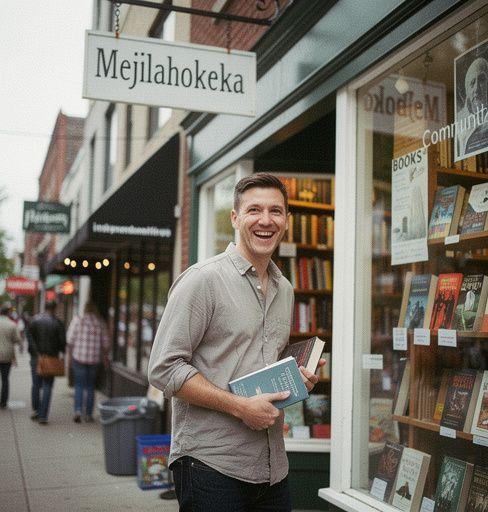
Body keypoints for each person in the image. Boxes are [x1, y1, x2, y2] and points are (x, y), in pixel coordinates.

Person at [149, 173, 324, 512]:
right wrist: (239, 406)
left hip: (272, 469)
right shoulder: (203, 280)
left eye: (275, 211)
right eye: (254, 210)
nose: (265, 220)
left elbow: (262, 366)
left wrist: (295, 380)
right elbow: (163, 368)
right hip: (210, 466)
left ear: (287, 220)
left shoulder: (284, 289)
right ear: (235, 218)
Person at [67, 301, 110, 423]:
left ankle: (78, 411)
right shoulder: (100, 323)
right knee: (91, 387)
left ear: (85, 309)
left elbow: (70, 340)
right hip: (94, 360)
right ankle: (89, 414)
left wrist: (70, 357)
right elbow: (106, 344)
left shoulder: (78, 320)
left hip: (78, 358)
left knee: (79, 385)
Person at [29, 301, 66, 424]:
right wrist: (62, 352)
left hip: (36, 357)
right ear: (54, 309)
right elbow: (62, 343)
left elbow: (30, 339)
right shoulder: (58, 323)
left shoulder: (35, 320)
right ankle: (43, 415)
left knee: (36, 384)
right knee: (47, 385)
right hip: (51, 358)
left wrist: (36, 353)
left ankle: (36, 410)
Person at [456, 56, 488, 158]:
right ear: (467, 91)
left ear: (487, 84)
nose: (476, 88)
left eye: (481, 80)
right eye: (472, 83)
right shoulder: (458, 121)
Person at [0, 305, 22, 408]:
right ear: (8, 313)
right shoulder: (12, 325)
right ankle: (3, 401)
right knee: (5, 379)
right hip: (7, 356)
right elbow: (18, 340)